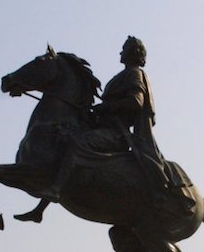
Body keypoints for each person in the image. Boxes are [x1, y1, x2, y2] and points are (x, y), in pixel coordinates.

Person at [40, 36, 187, 211]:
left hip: (116, 133)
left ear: (132, 52)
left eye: (124, 48)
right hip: (105, 127)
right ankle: (41, 207)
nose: (120, 52)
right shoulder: (123, 75)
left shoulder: (134, 73)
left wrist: (106, 107)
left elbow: (136, 101)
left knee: (77, 143)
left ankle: (56, 189)